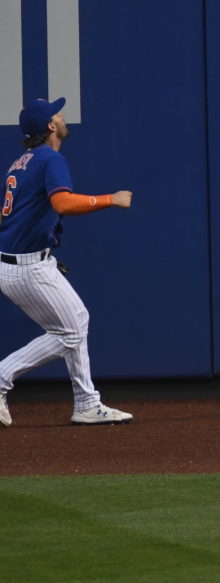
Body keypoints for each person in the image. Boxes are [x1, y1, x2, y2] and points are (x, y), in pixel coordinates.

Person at [0, 98, 133, 427]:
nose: (61, 117)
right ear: (50, 126)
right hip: (27, 266)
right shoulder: (48, 158)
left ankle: (87, 402)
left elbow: (25, 215)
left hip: (20, 261)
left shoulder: (22, 162)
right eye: (56, 114)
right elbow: (62, 203)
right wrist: (110, 200)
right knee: (71, 331)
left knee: (75, 321)